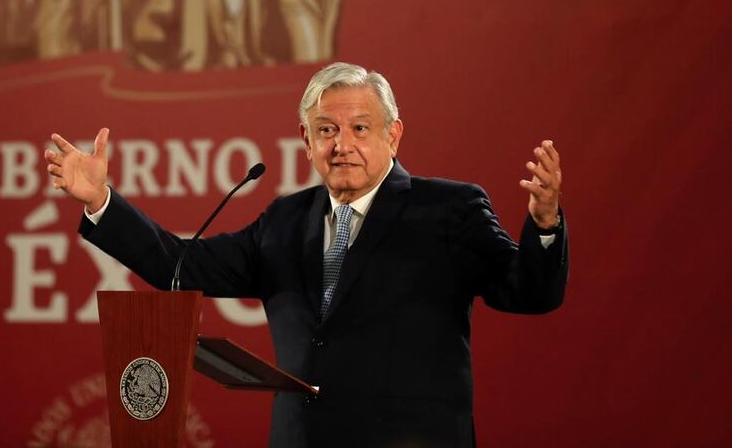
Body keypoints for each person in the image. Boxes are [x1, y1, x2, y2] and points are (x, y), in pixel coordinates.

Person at [45, 62, 568, 447]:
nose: (342, 144)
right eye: (326, 130)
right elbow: (179, 268)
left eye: (360, 128)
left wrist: (543, 225)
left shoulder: (449, 209)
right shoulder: (285, 219)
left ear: (394, 134)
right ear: (305, 140)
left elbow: (527, 291)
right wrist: (101, 203)